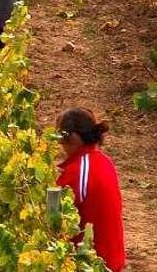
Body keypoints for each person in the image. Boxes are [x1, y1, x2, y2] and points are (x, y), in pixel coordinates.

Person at [56, 107, 126, 272]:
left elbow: (52, 211)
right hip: (111, 261)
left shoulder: (77, 171)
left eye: (61, 137)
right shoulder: (103, 161)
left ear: (72, 137)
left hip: (92, 264)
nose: (59, 144)